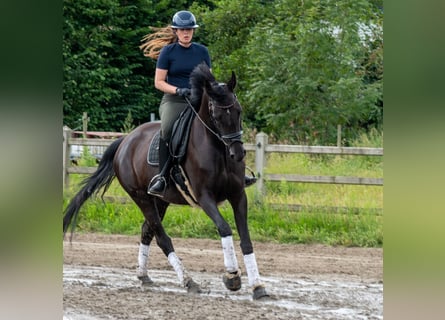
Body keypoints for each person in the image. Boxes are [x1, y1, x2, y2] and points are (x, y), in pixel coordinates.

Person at [140, 10, 256, 197]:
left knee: (221, 125)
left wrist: (214, 92)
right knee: (168, 128)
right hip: (174, 100)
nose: (186, 33)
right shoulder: (168, 52)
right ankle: (162, 177)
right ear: (176, 31)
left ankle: (236, 172)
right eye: (182, 30)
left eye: (190, 30)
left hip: (199, 99)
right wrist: (178, 90)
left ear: (193, 31)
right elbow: (158, 82)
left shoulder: (202, 51)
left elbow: (208, 79)